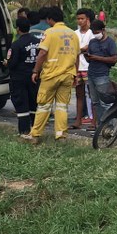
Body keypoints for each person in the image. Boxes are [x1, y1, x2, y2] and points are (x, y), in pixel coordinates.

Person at [29, 7, 80, 142]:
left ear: (50, 19)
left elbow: (42, 53)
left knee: (43, 105)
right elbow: (77, 57)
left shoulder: (49, 32)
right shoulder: (73, 34)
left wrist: (35, 70)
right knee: (62, 106)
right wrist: (75, 74)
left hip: (51, 75)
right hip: (68, 74)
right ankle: (61, 135)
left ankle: (35, 135)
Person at [6, 17, 39, 138]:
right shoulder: (38, 42)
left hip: (19, 79)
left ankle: (24, 131)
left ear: (18, 29)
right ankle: (36, 129)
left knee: (21, 104)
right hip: (35, 77)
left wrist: (6, 63)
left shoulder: (16, 44)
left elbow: (12, 63)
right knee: (34, 103)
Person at [86, 19, 117, 127]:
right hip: (91, 73)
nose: (95, 35)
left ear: (103, 30)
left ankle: (110, 126)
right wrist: (88, 57)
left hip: (102, 75)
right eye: (93, 33)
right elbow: (89, 58)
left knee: (105, 102)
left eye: (97, 32)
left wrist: (97, 58)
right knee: (95, 102)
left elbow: (114, 59)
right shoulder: (92, 42)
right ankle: (101, 125)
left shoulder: (110, 42)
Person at [71, 8, 95, 129]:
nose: (80, 21)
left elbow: (89, 47)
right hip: (77, 67)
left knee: (92, 95)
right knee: (79, 95)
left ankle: (94, 121)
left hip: (88, 67)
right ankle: (78, 120)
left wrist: (80, 50)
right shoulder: (74, 33)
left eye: (82, 18)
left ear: (87, 19)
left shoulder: (92, 33)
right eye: (78, 19)